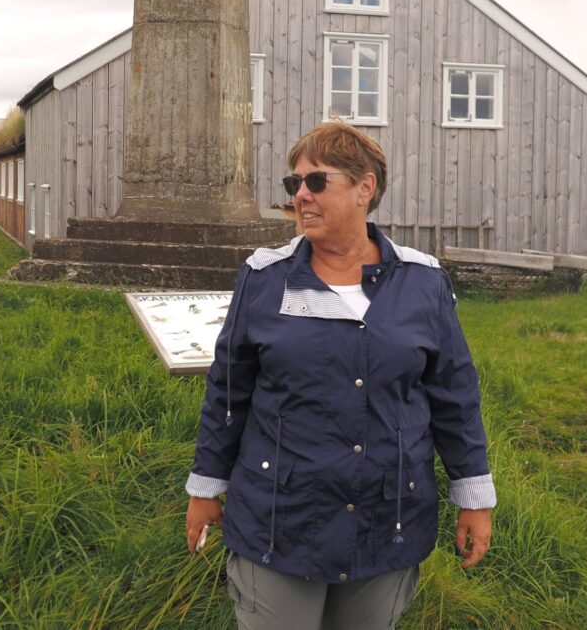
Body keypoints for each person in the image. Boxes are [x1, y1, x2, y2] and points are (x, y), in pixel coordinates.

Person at [185, 121, 495, 629]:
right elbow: (228, 391)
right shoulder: (264, 278)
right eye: (294, 184)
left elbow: (455, 398)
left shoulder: (423, 283)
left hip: (385, 518)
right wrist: (204, 488)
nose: (300, 196)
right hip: (278, 519)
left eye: (316, 182)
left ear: (364, 188)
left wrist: (474, 498)